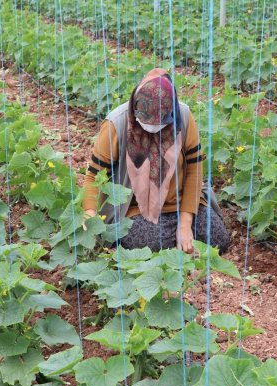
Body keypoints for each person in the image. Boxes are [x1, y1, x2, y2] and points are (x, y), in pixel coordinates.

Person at [82, 68, 230, 254]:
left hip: (181, 202)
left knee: (218, 238)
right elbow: (94, 176)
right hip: (135, 210)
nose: (154, 131)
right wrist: (90, 217)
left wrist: (185, 223)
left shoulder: (183, 116)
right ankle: (177, 245)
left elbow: (195, 169)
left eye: (160, 125)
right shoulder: (116, 124)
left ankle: (178, 236)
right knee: (148, 243)